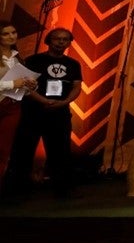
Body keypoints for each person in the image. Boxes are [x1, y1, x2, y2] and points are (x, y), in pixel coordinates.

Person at [5, 27, 83, 198]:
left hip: (60, 113)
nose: (61, 42)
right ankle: (16, 190)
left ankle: (63, 189)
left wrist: (64, 102)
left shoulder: (73, 64)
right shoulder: (33, 60)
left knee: (60, 152)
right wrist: (43, 100)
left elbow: (77, 86)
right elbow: (21, 85)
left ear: (69, 42)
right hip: (32, 113)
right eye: (57, 38)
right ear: (49, 40)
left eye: (65, 39)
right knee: (23, 151)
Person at [0, 22, 37, 193]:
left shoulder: (16, 57)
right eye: (6, 34)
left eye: (13, 32)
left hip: (13, 105)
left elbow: (21, 87)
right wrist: (13, 82)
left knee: (4, 148)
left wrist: (29, 86)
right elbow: (11, 83)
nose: (11, 36)